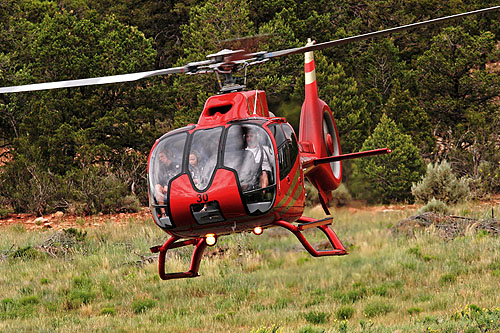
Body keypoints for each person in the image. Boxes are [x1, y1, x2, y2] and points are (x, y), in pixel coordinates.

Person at [155, 149, 180, 215]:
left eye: (162, 156)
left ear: (168, 156)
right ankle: (163, 213)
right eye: (159, 157)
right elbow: (160, 179)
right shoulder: (161, 168)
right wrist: (164, 185)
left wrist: (168, 185)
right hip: (165, 189)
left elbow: (177, 177)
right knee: (157, 187)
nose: (160, 159)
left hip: (175, 187)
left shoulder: (176, 165)